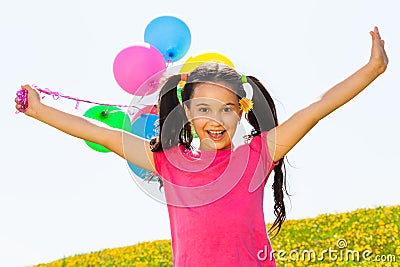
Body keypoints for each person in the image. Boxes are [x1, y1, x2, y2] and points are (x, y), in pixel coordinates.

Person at [15, 26, 388, 266]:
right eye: (205, 108)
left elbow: (318, 108)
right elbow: (98, 133)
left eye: (228, 109)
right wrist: (38, 110)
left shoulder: (256, 156)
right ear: (187, 113)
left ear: (241, 113)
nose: (217, 118)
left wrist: (372, 69)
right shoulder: (167, 162)